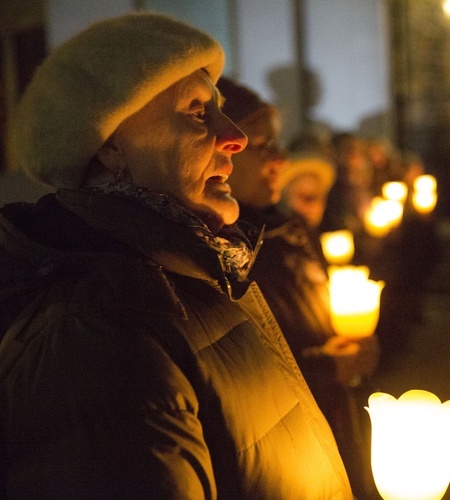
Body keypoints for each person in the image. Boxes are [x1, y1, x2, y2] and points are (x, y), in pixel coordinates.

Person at [0, 13, 352, 499]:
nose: (237, 137)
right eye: (197, 111)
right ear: (112, 146)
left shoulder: (199, 276)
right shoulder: (104, 334)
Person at [216, 77, 380, 499]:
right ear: (221, 151)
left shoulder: (286, 231)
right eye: (263, 145)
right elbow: (241, 376)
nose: (281, 158)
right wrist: (325, 369)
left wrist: (352, 344)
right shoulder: (224, 256)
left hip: (329, 422)